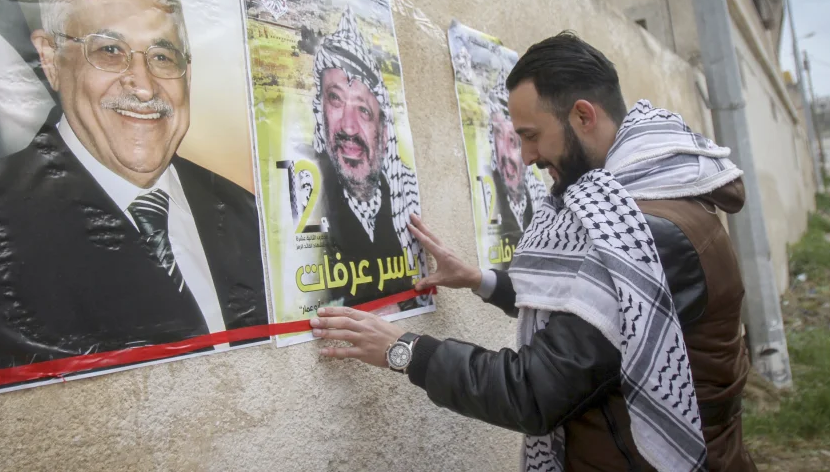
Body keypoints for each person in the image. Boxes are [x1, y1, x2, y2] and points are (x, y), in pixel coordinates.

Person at [310, 32, 756, 471]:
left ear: (583, 116)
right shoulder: (638, 203)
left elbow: (534, 390)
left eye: (531, 135)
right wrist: (479, 280)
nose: (526, 157)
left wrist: (404, 349)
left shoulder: (646, 236)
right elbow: (583, 307)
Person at [0, 0, 268, 374]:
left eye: (162, 56)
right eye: (110, 50)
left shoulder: (247, 214)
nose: (144, 86)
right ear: (50, 58)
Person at [311, 7, 427, 308]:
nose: (348, 127)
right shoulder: (310, 200)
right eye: (335, 99)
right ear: (321, 111)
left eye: (363, 109)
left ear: (383, 131)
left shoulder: (403, 196)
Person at [485, 68, 547, 268]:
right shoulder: (490, 193)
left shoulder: (541, 200)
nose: (505, 154)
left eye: (513, 141)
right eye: (498, 137)